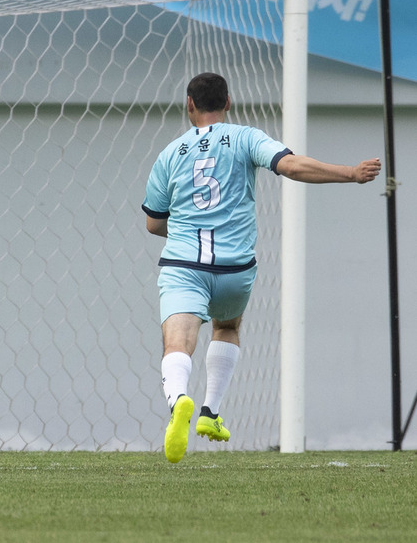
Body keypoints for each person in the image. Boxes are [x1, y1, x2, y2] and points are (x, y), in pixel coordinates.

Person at [142, 72, 381, 464]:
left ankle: (178, 400)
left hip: (184, 265)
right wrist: (350, 174)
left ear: (189, 105)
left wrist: (188, 221)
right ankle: (210, 412)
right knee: (227, 326)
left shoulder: (170, 153)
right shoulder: (245, 137)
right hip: (235, 270)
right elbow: (290, 166)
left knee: (176, 344)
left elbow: (153, 222)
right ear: (229, 102)